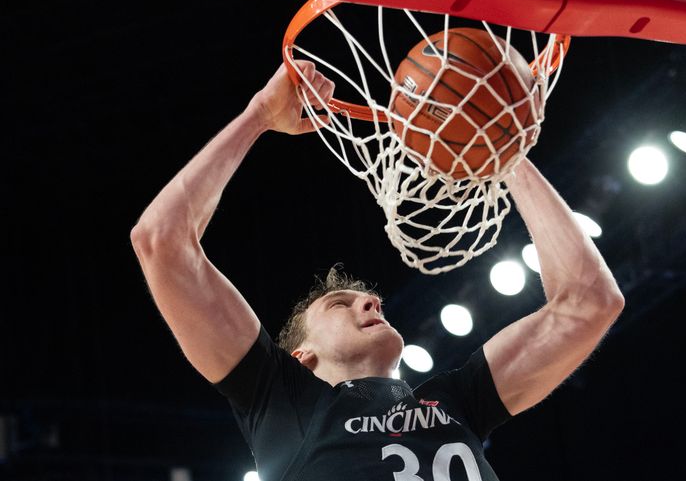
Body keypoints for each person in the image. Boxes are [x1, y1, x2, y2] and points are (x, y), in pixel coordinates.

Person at [130, 61, 625, 481]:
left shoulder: (456, 401)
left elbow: (589, 303)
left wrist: (500, 148)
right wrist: (258, 116)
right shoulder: (281, 402)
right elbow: (161, 240)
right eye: (341, 304)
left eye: (364, 298)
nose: (371, 302)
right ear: (303, 358)